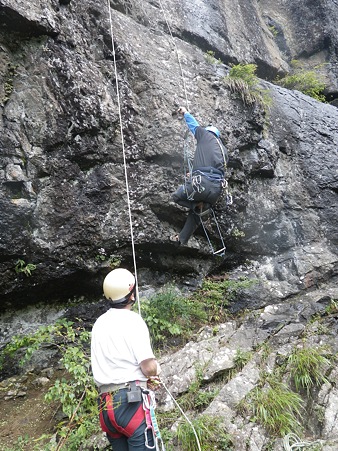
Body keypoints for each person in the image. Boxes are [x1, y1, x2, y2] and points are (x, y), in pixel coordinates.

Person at [91, 268, 161, 451]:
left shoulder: (99, 324)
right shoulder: (133, 321)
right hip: (130, 403)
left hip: (106, 405)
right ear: (131, 293)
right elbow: (148, 367)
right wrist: (155, 371)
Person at [171, 107, 228, 245]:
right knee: (197, 214)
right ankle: (182, 239)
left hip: (200, 185)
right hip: (215, 191)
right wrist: (195, 172)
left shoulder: (205, 135)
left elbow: (194, 125)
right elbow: (214, 169)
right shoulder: (224, 151)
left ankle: (196, 204)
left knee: (177, 196)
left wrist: (185, 112)